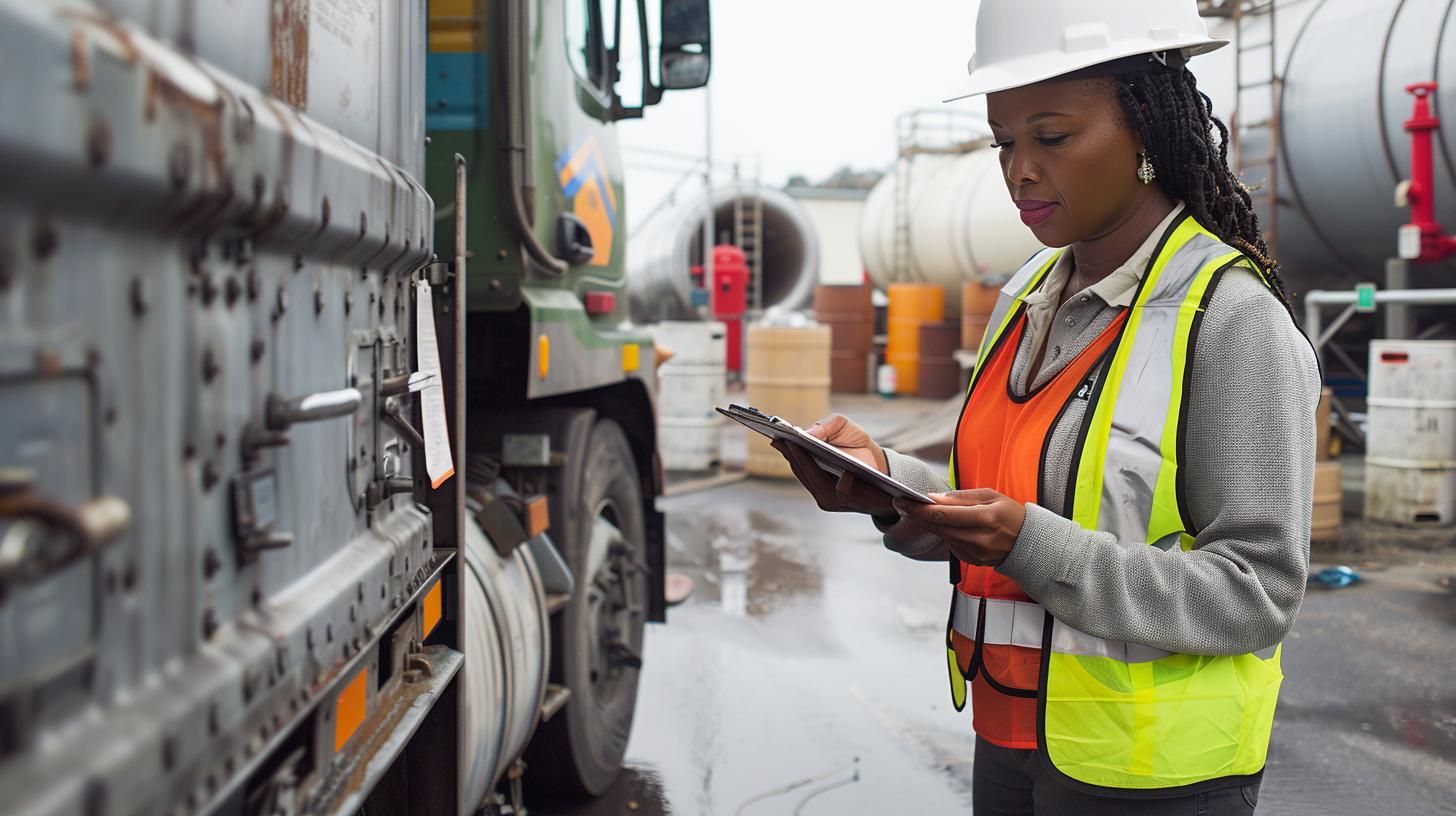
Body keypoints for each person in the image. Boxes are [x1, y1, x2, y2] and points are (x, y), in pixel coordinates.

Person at [771, 1, 1319, 813]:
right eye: (1003, 142)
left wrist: (1031, 545)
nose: (1018, 169)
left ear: (1144, 130)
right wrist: (887, 483)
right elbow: (995, 496)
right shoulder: (1027, 296)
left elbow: (1256, 592)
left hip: (1153, 777)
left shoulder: (1230, 320)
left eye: (1050, 137)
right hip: (1012, 739)